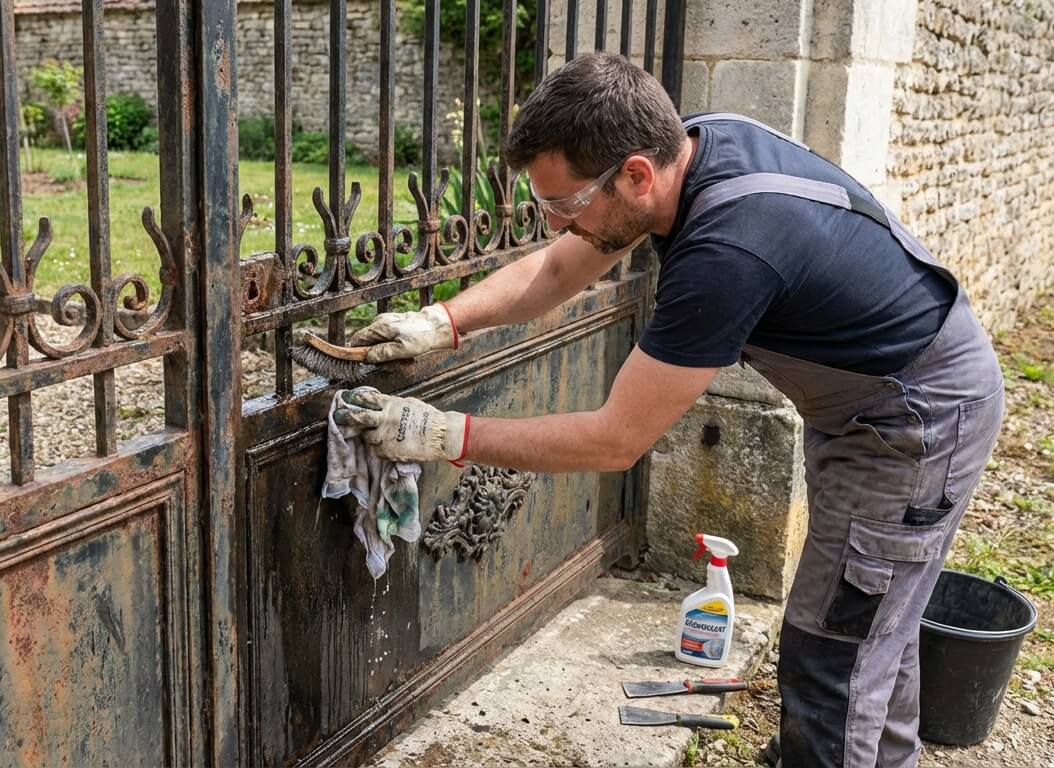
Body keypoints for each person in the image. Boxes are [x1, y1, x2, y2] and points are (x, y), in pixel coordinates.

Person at [333, 52, 1004, 768]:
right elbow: (561, 266)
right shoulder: (694, 142)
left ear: (636, 175)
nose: (560, 222)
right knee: (876, 632)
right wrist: (443, 322)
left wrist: (439, 434)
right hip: (887, 397)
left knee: (834, 658)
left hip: (913, 422)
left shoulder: (729, 249)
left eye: (565, 205)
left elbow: (614, 439)